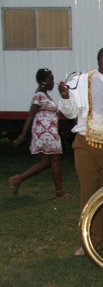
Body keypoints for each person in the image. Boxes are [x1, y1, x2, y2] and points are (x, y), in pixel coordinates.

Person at [58, 46, 103, 256]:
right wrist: (65, 96)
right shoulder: (81, 82)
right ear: (102, 59)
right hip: (85, 145)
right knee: (88, 193)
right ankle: (88, 240)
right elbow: (70, 111)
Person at [8, 68, 71, 199]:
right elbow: (31, 116)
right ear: (43, 82)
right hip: (45, 133)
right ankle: (60, 193)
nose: (53, 83)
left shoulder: (45, 95)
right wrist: (22, 136)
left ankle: (18, 179)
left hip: (48, 132)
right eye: (50, 80)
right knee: (55, 162)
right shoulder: (39, 96)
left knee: (45, 163)